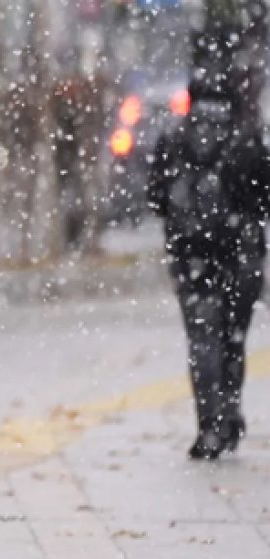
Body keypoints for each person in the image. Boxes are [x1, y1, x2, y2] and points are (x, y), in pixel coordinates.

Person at [147, 28, 269, 461]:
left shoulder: (172, 141)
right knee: (233, 338)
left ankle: (210, 425)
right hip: (241, 256)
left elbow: (156, 200)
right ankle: (231, 412)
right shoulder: (249, 141)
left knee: (202, 339)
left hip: (191, 256)